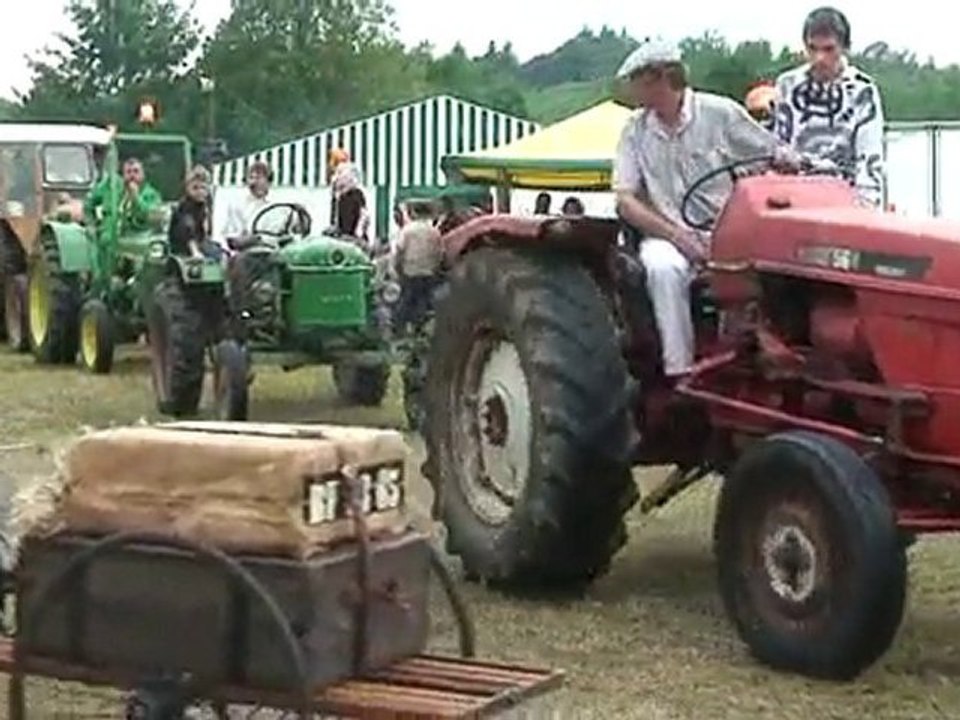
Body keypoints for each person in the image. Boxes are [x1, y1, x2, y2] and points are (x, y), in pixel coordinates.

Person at [613, 37, 797, 381]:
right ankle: (680, 371)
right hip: (668, 233)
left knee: (773, 269)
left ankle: (757, 356)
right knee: (662, 267)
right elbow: (625, 197)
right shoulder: (635, 131)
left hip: (725, 229)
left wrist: (794, 161)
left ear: (660, 79)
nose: (634, 93)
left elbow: (768, 153)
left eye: (638, 83)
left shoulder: (720, 113)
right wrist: (677, 236)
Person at [773, 6, 886, 207]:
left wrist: (866, 212)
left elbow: (870, 160)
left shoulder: (862, 91)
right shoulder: (788, 85)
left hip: (843, 200)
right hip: (795, 198)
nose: (819, 58)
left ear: (844, 48)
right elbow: (779, 145)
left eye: (828, 49)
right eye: (812, 49)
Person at [393, 201, 443, 332]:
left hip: (410, 269)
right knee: (423, 300)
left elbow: (400, 250)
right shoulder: (434, 232)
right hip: (428, 270)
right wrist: (435, 267)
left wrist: (397, 267)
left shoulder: (408, 230)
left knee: (406, 299)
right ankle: (419, 327)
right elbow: (439, 253)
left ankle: (399, 327)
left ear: (414, 213)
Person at [84, 157, 162, 233]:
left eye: (136, 171)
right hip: (107, 237)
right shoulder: (112, 187)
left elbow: (147, 217)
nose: (132, 175)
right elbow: (88, 202)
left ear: (143, 174)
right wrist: (91, 225)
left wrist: (135, 197)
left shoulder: (152, 195)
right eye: (128, 172)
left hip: (134, 239)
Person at [168, 166, 222, 261]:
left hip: (201, 242)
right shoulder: (184, 207)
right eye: (195, 188)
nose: (200, 192)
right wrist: (195, 252)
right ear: (187, 188)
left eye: (203, 188)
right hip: (183, 248)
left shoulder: (204, 205)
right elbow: (188, 230)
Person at [222, 161, 273, 248]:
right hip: (248, 249)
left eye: (259, 178)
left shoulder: (277, 204)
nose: (255, 182)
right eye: (252, 178)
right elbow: (233, 235)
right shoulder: (237, 204)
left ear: (269, 182)